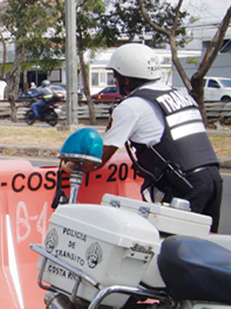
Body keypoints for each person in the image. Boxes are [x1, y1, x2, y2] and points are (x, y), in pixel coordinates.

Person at [62, 43, 223, 232]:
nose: (115, 81)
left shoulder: (132, 107)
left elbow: (97, 160)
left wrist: (71, 165)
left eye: (116, 76)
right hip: (212, 179)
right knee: (205, 250)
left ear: (127, 80)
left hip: (185, 187)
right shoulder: (180, 96)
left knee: (171, 251)